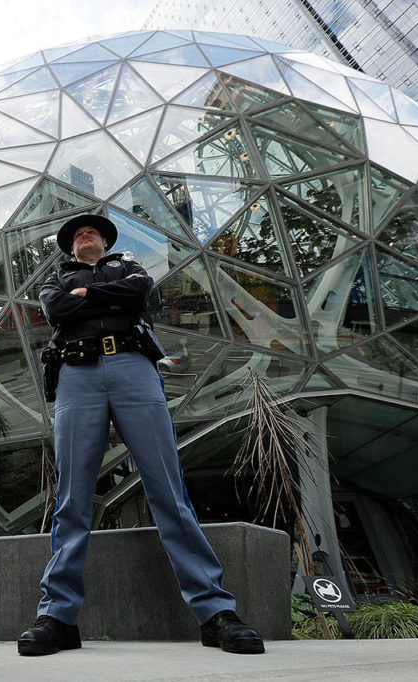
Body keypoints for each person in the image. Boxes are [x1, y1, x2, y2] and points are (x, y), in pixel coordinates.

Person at [17, 214, 265, 656]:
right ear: (70, 248)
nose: (84, 236)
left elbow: (135, 295)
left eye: (90, 231)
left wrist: (87, 295)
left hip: (134, 367)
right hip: (76, 373)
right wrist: (96, 300)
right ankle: (57, 614)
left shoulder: (129, 267)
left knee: (167, 488)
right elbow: (57, 310)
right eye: (77, 235)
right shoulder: (55, 281)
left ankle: (214, 612)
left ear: (106, 241)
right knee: (72, 496)